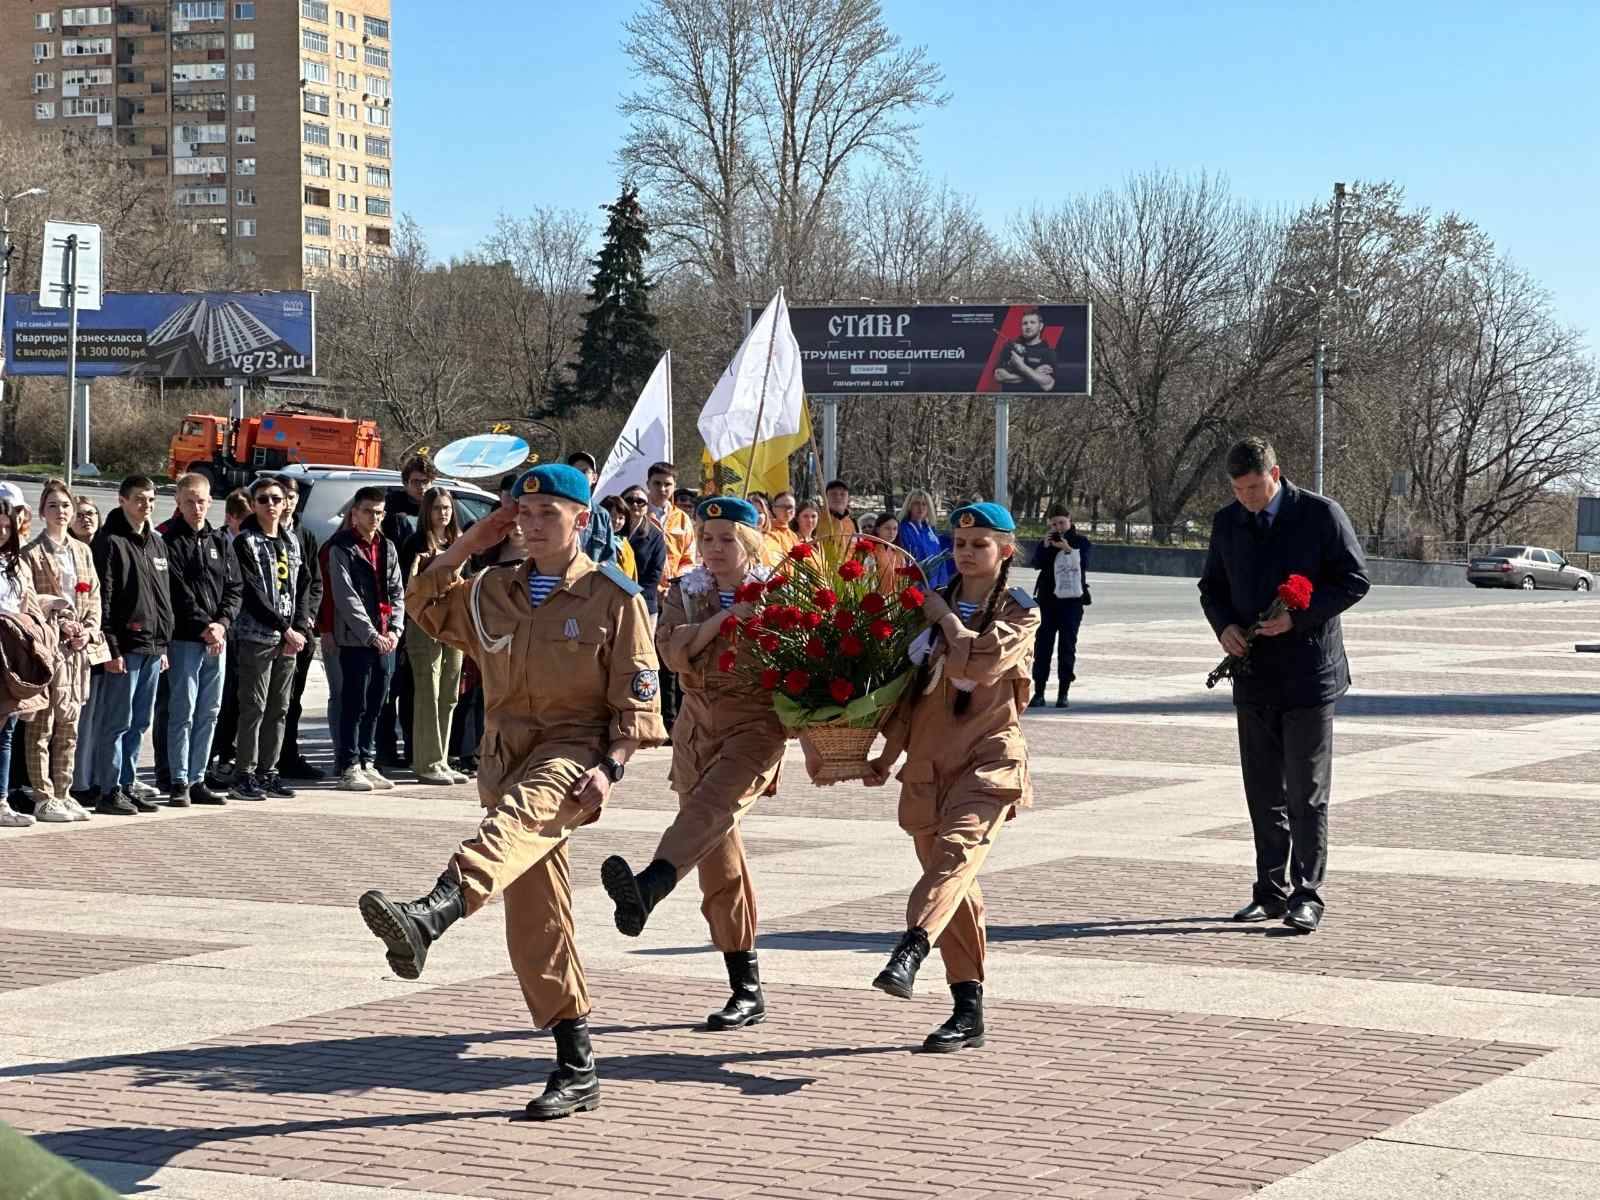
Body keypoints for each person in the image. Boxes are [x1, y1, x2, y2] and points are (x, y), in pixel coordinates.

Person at [357, 463, 666, 1120]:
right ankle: (576, 1063)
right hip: (503, 758)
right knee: (535, 914)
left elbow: (638, 706)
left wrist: (610, 767)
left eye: (546, 514)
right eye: (523, 515)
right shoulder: (492, 588)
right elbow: (422, 602)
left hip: (572, 751)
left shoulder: (615, 599)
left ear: (581, 521)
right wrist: (471, 541)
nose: (531, 524)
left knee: (514, 826)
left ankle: (434, 911)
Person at [827, 501, 1038, 1054]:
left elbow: (977, 664)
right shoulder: (922, 608)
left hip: (987, 761)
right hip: (926, 765)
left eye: (981, 545)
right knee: (957, 889)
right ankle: (968, 1009)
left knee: (955, 858)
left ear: (1005, 551)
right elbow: (910, 694)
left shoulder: (1019, 611)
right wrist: (884, 753)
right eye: (961, 544)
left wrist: (944, 616)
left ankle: (911, 947)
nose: (967, 553)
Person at [600, 496, 784, 1030]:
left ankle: (652, 883)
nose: (715, 548)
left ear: (750, 542)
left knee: (706, 810)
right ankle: (745, 987)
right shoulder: (685, 590)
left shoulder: (778, 594)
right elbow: (671, 652)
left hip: (755, 727)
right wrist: (726, 618)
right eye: (707, 537)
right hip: (696, 729)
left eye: (727, 538)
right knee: (718, 863)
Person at [1199, 437, 1369, 934]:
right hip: (1253, 675)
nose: (1246, 498)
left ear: (1276, 474)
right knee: (1262, 789)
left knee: (1305, 791)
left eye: (1253, 487)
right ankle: (1269, 891)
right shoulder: (1227, 521)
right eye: (1237, 489)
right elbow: (1212, 588)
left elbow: (1354, 580)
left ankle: (1307, 893)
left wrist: (1299, 619)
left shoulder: (1320, 514)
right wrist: (1225, 626)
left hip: (1308, 675)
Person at [90, 475, 174, 816]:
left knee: (139, 722)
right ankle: (108, 789)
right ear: (122, 500)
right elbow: (104, 600)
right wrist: (111, 648)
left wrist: (163, 645)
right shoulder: (110, 542)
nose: (146, 505)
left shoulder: (155, 542)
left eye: (151, 500)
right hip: (125, 647)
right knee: (117, 721)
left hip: (153, 646)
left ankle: (127, 783)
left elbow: (163, 596)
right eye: (139, 499)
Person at [157, 474, 240, 807]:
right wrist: (205, 626)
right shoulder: (167, 540)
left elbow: (235, 588)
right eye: (190, 501)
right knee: (183, 711)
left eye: (202, 500)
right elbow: (177, 593)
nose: (196, 507)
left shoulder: (220, 541)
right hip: (185, 641)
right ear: (178, 502)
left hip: (216, 642)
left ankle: (197, 778)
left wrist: (221, 624)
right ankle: (178, 780)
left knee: (210, 712)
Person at [18, 483, 99, 824]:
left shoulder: (82, 551)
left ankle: (64, 793)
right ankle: (43, 796)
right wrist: (62, 622)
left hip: (76, 651)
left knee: (70, 724)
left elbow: (93, 594)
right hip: (47, 647)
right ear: (42, 512)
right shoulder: (31, 554)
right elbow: (28, 599)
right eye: (53, 506)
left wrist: (89, 629)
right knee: (42, 725)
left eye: (65, 505)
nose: (61, 511)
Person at [230, 475, 313, 802]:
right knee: (254, 707)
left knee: (280, 707)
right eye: (263, 499)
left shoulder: (292, 540)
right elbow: (252, 593)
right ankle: (244, 774)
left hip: (290, 639)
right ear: (253, 504)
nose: (271, 505)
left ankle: (269, 771)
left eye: (276, 499)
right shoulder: (245, 542)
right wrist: (284, 627)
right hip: (258, 637)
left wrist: (301, 628)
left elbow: (303, 583)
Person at [327, 486, 404, 792]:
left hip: (387, 639)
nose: (375, 518)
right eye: (369, 511)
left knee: (377, 702)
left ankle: (367, 761)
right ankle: (348, 765)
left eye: (380, 512)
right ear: (355, 513)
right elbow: (346, 598)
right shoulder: (341, 548)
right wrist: (372, 635)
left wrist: (395, 630)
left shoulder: (388, 547)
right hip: (357, 640)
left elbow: (398, 591)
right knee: (353, 702)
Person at [401, 486, 464, 787]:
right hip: (423, 623)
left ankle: (441, 758)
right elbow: (407, 588)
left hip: (454, 625)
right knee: (429, 692)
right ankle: (426, 762)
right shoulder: (415, 544)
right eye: (438, 507)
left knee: (450, 695)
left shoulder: (458, 543)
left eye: (447, 507)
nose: (443, 513)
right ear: (427, 511)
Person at [376, 455, 436, 770]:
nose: (421, 488)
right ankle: (385, 748)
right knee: (392, 684)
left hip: (426, 611)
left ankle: (415, 747)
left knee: (416, 686)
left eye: (426, 482)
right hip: (396, 607)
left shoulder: (434, 513)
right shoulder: (394, 515)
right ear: (405, 482)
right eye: (415, 482)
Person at [276, 475, 326, 782]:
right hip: (272, 632)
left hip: (301, 631)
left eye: (292, 497)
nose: (287, 503)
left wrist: (306, 619)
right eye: (282, 497)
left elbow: (314, 582)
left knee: (294, 700)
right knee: (268, 703)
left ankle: (288, 756)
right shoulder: (260, 535)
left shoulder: (304, 536)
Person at [207, 488, 252, 786]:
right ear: (232, 518)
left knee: (238, 699)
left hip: (245, 633)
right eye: (246, 521)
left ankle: (228, 754)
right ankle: (210, 758)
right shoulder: (220, 541)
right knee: (216, 702)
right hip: (221, 630)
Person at [1029, 505, 1091, 709]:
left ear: (1070, 521)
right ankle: (1039, 692)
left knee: (1067, 646)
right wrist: (1046, 547)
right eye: (1054, 524)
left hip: (1071, 603)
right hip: (1047, 600)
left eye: (1062, 523)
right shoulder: (1046, 542)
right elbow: (1036, 563)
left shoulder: (1081, 541)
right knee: (1042, 646)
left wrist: (1067, 549)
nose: (1059, 527)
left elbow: (1083, 564)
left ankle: (1063, 692)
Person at [618, 486, 666, 612]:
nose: (635, 504)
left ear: (647, 506)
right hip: (612, 601)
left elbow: (655, 574)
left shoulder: (656, 535)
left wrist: (634, 598)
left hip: (643, 603)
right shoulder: (612, 530)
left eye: (640, 501)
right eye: (629, 500)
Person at [566, 451, 618, 566]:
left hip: (590, 581)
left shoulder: (602, 515)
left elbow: (610, 559)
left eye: (584, 471)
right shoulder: (558, 509)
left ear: (594, 478)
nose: (579, 476)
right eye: (574, 472)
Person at [992, 308, 1056, 392]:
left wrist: (1021, 367)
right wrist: (1034, 372)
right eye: (1025, 323)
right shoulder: (1010, 347)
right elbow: (998, 376)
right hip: (1009, 398)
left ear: (1040, 326)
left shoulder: (1048, 352)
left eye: (1032, 322)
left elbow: (1048, 384)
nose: (1028, 326)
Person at [897, 490, 951, 588]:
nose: (920, 508)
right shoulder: (902, 529)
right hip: (915, 586)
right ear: (909, 506)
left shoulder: (930, 530)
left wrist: (943, 585)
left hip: (935, 586)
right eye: (916, 503)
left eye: (924, 504)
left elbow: (939, 559)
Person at [598, 497, 639, 581]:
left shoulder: (624, 542)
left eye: (621, 518)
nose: (616, 521)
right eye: (612, 516)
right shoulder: (598, 541)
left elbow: (633, 573)